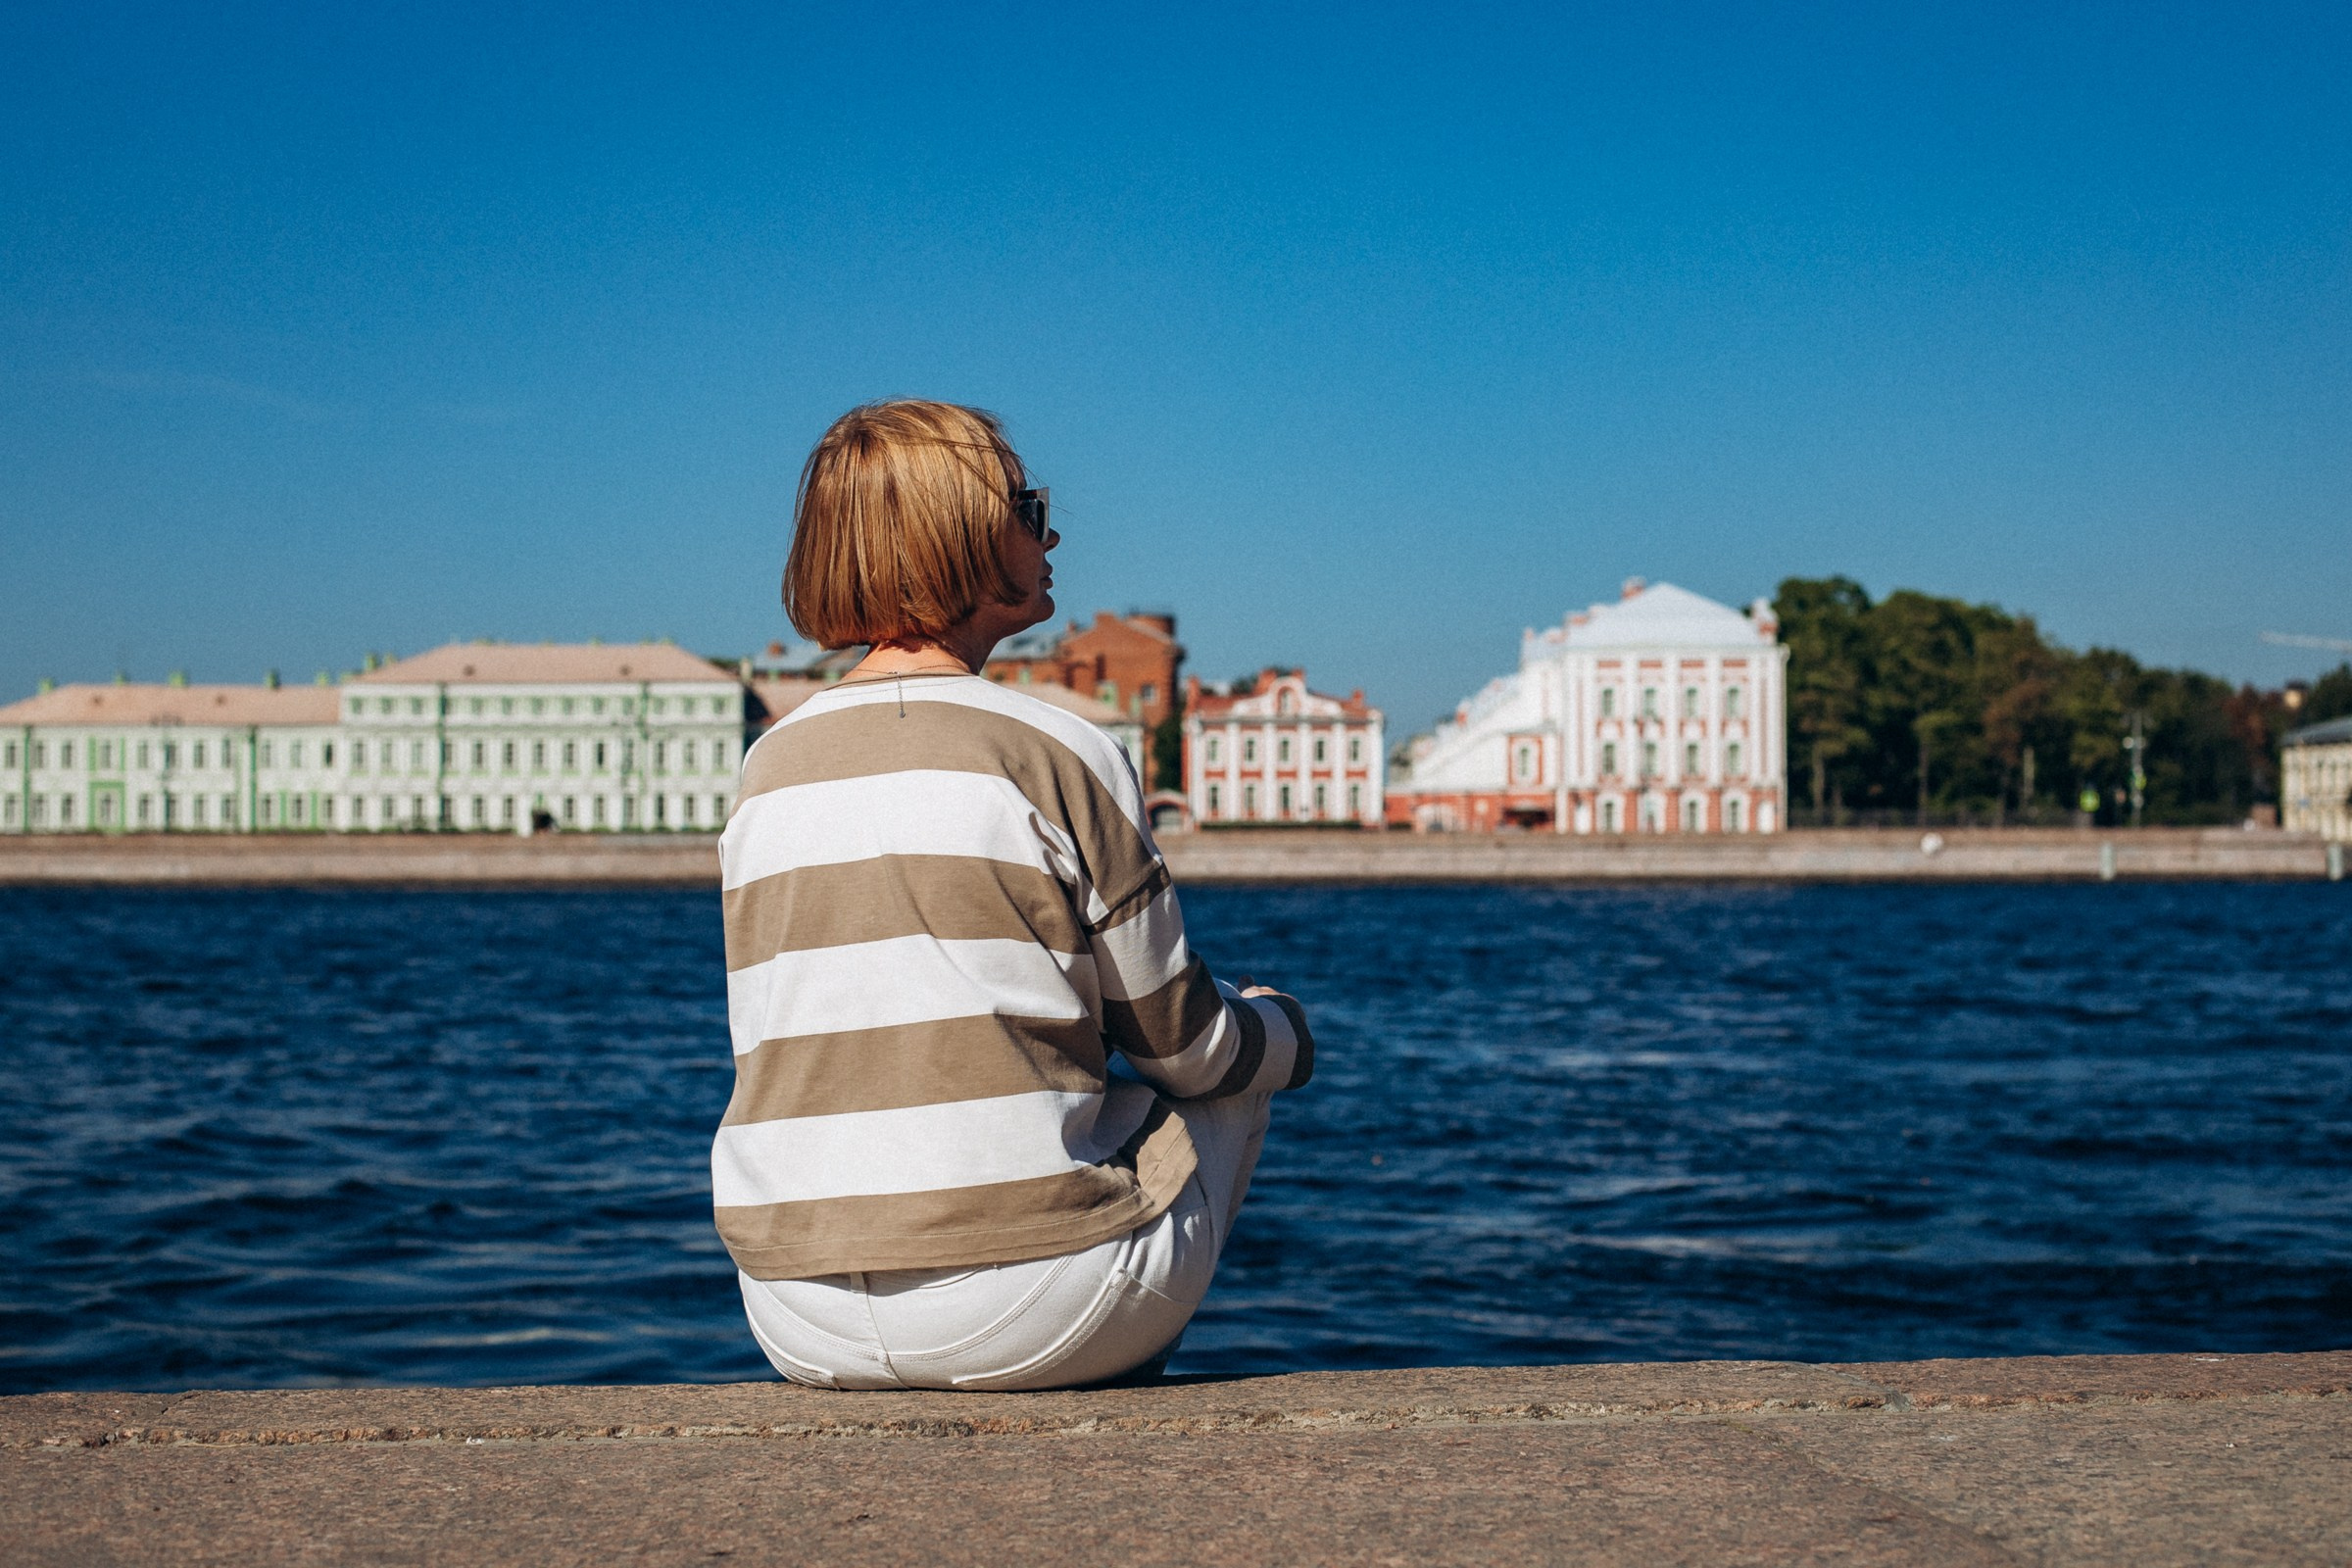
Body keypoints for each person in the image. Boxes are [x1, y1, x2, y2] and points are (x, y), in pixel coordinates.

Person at [712, 399, 1313, 1391]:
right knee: (1236, 1070)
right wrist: (1285, 1029)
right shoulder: (1061, 749)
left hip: (793, 1314)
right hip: (1029, 1311)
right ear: (961, 537)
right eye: (1030, 512)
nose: (1053, 537)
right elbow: (1189, 1051)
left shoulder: (767, 767)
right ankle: (1109, 1384)